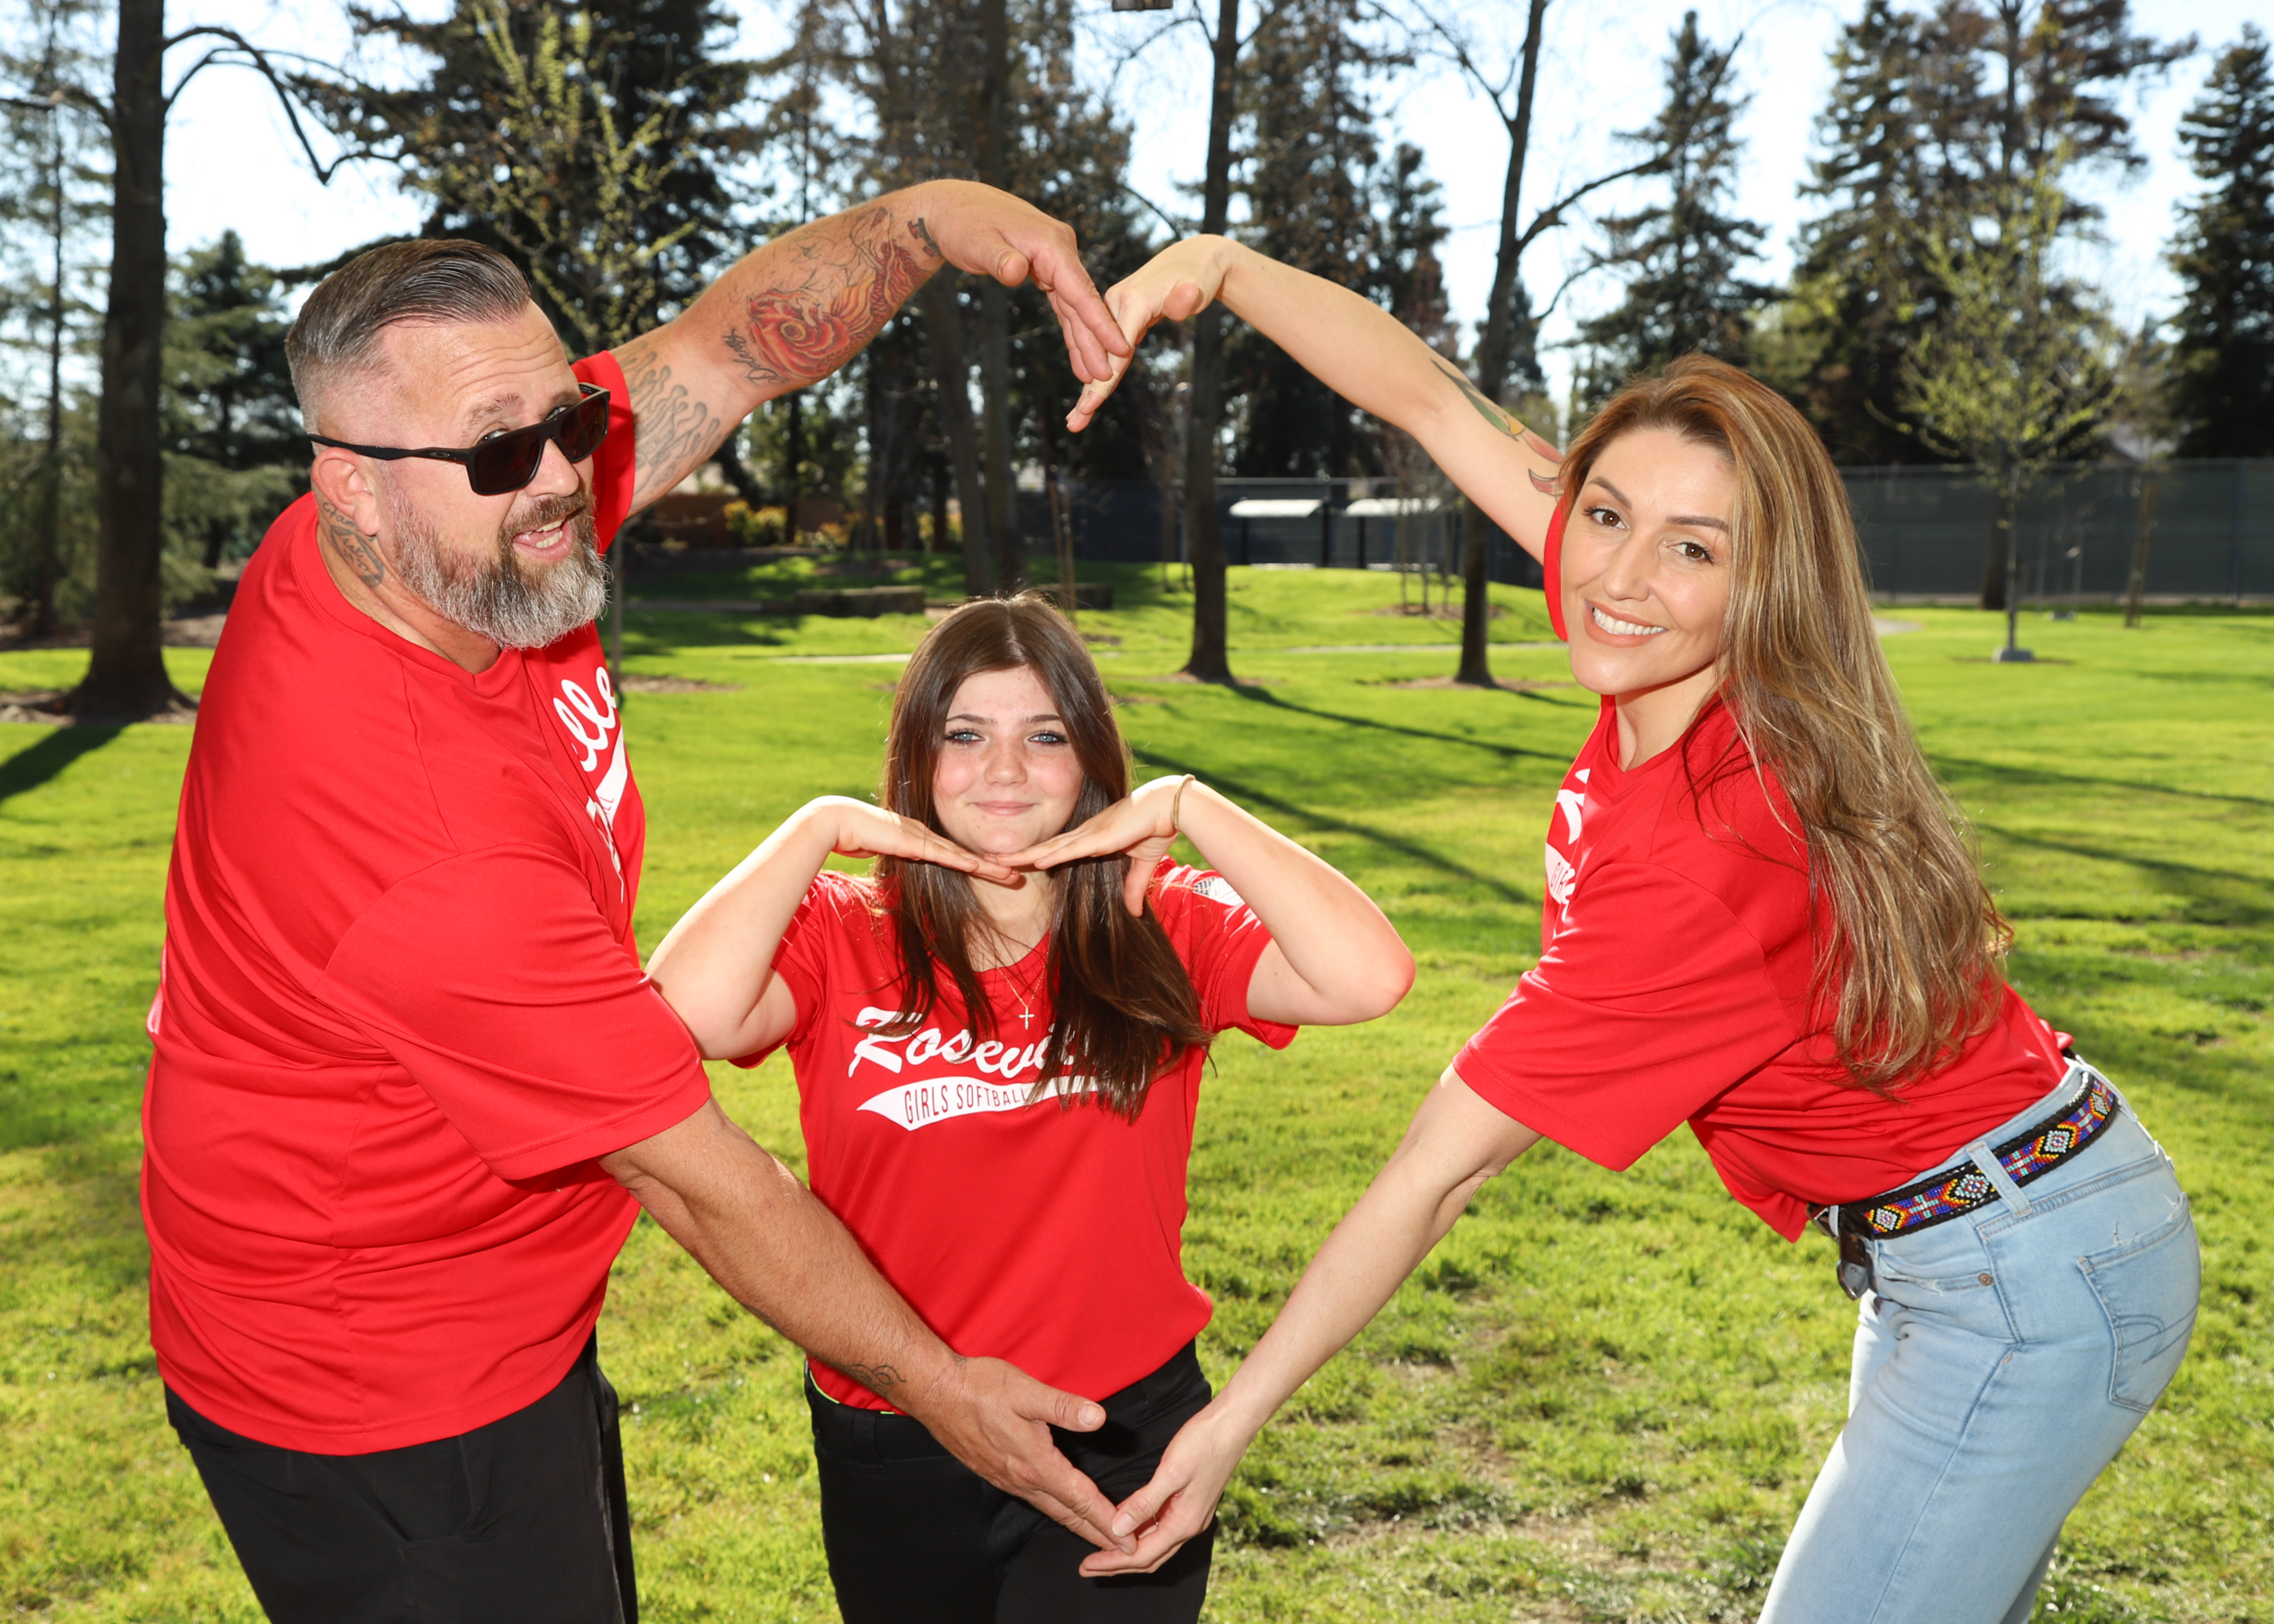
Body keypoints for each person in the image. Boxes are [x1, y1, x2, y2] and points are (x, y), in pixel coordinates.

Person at [1058, 236, 2203, 1624]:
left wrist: (1226, 1424)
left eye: (1693, 548)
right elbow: (1425, 399)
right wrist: (1222, 270)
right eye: (1602, 514)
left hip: (2020, 1276)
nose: (1619, 574)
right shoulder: (1703, 660)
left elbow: (1435, 1176)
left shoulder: (1703, 864)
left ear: (1760, 582)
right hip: (2007, 1231)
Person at [144, 183, 1143, 1624]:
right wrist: (940, 1388)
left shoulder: (467, 532)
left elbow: (724, 353)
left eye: (568, 418)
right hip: (383, 1396)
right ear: (346, 485)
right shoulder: (420, 840)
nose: (563, 474)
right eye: (506, 449)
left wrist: (933, 222)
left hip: (496, 1302)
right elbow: (697, 1177)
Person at [642, 593, 1414, 1622]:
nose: (1003, 769)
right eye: (964, 734)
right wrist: (816, 824)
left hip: (1119, 1432)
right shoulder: (840, 927)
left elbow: (1369, 976)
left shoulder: (1160, 923)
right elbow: (681, 1015)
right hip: (897, 1427)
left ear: (1089, 759)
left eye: (1044, 736)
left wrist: (1188, 804)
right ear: (916, 757)